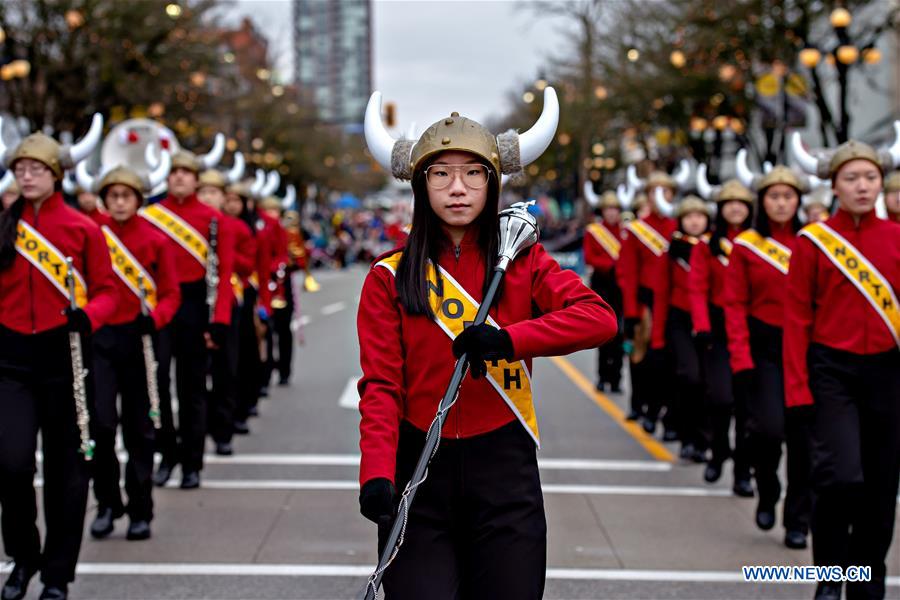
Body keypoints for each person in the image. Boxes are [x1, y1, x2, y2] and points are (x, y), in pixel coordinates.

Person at [358, 95, 618, 598]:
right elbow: (382, 387)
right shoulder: (387, 277)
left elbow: (599, 319)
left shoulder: (522, 261)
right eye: (440, 175)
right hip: (418, 467)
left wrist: (509, 340)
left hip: (504, 467)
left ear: (493, 182)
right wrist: (376, 473)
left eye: (474, 173)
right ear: (420, 186)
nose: (458, 188)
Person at [0, 125, 118, 600]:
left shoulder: (83, 228)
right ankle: (24, 556)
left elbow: (108, 290)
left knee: (69, 473)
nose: (26, 176)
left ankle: (56, 574)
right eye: (19, 168)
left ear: (56, 174)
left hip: (65, 356)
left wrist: (87, 316)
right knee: (10, 464)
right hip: (10, 357)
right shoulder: (4, 222)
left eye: (35, 169)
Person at [786, 137, 900, 600]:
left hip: (889, 373)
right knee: (841, 475)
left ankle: (867, 582)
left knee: (880, 485)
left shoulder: (896, 236)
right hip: (831, 371)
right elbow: (796, 319)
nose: (862, 187)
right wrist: (797, 390)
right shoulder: (813, 242)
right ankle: (831, 576)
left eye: (870, 178)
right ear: (834, 185)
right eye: (851, 178)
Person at [81, 165, 180, 542]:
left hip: (140, 340)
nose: (119, 202)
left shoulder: (156, 240)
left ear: (138, 200)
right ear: (105, 200)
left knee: (139, 429)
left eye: (126, 196)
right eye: (113, 196)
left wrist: (154, 319)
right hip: (101, 339)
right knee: (101, 426)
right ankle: (107, 503)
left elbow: (171, 294)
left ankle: (141, 508)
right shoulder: (93, 236)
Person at [725, 166, 812, 550]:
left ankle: (798, 518)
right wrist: (741, 357)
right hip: (764, 351)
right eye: (774, 196)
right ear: (762, 202)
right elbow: (735, 303)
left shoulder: (814, 243)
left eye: (788, 196)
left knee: (804, 440)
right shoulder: (746, 245)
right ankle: (767, 488)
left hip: (809, 352)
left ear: (798, 201)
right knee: (768, 430)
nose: (781, 203)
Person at [145, 146, 234, 490]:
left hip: (196, 308)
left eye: (186, 172)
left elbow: (224, 275)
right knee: (158, 390)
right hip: (159, 306)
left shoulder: (215, 220)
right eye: (174, 172)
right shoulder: (150, 215)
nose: (179, 177)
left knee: (192, 388)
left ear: (196, 180)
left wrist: (219, 322)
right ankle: (167, 456)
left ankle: (192, 463)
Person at [689, 179, 754, 495]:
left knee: (747, 407)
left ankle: (743, 471)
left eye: (741, 203)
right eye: (729, 203)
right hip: (716, 328)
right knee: (720, 398)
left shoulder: (759, 244)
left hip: (751, 329)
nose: (735, 208)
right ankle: (717, 451)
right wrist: (701, 325)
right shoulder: (706, 245)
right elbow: (698, 287)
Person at [197, 169, 255, 453]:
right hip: (197, 303)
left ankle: (224, 429)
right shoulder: (190, 225)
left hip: (227, 299)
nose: (207, 198)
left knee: (225, 369)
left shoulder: (234, 227)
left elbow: (247, 263)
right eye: (203, 192)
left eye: (213, 193)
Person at [650, 196, 710, 462]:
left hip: (710, 323)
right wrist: (657, 337)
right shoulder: (672, 250)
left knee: (709, 385)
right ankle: (687, 436)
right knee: (688, 376)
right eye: (689, 216)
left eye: (700, 215)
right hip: (680, 321)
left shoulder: (716, 248)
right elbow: (661, 294)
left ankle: (704, 439)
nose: (695, 221)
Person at [618, 172, 678, 434]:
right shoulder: (637, 229)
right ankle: (643, 406)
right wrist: (631, 311)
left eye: (666, 191)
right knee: (644, 359)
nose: (661, 197)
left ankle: (669, 415)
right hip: (646, 305)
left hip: (674, 306)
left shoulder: (679, 227)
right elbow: (628, 273)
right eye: (655, 191)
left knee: (672, 363)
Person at [583, 190, 625, 392]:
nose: (611, 213)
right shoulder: (593, 231)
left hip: (621, 286)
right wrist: (611, 264)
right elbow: (589, 257)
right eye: (608, 209)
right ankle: (602, 376)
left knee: (620, 334)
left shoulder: (626, 231)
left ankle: (616, 377)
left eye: (615, 209)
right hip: (602, 284)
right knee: (603, 331)